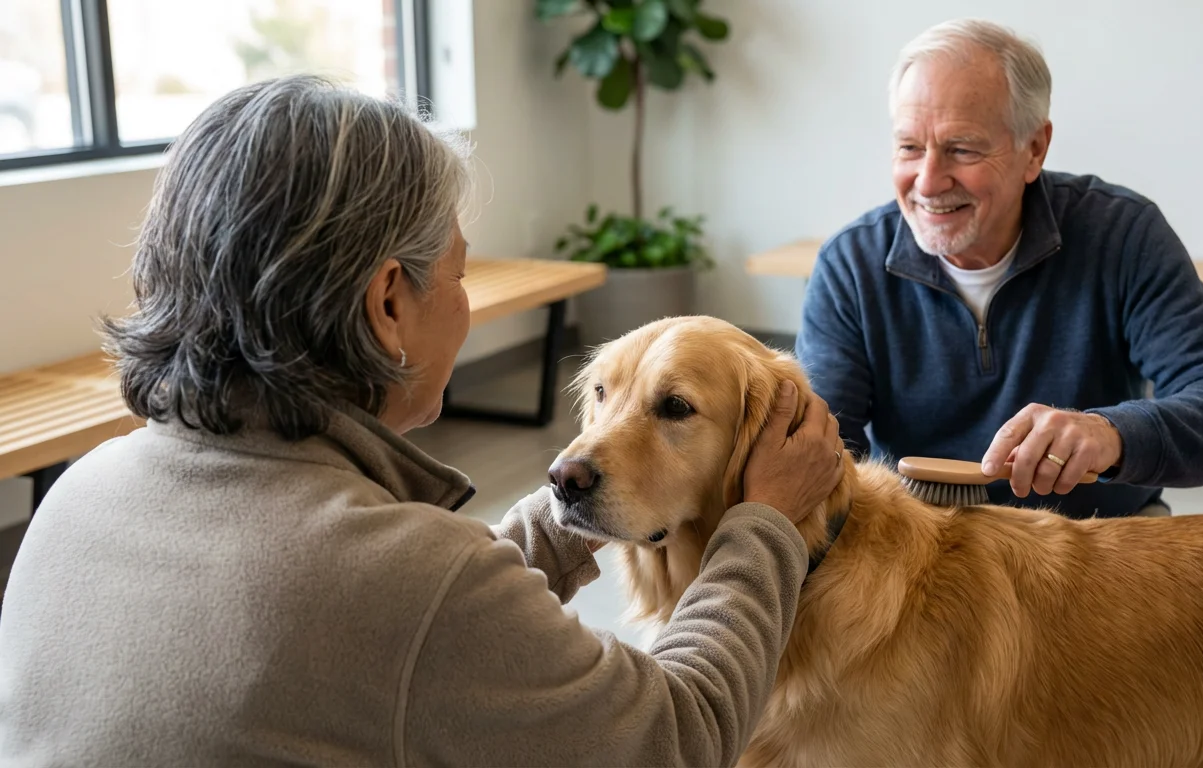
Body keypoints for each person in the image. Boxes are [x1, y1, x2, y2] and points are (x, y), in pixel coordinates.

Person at [0, 76, 846, 766]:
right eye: (458, 275)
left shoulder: (77, 498)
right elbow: (681, 737)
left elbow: (397, 625)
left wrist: (564, 526)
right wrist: (762, 523)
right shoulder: (408, 582)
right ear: (388, 303)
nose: (465, 304)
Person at [795, 19, 1203, 519]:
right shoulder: (850, 266)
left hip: (1099, 542)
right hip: (925, 547)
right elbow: (821, 452)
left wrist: (1111, 434)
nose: (929, 181)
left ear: (1035, 149)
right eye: (909, 147)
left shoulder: (1122, 234)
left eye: (962, 149)